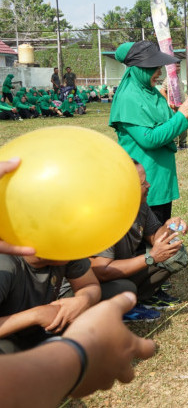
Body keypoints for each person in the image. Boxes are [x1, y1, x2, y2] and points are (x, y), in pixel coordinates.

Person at [0, 159, 156, 404]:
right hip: (10, 336)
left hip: (46, 327)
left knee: (120, 290)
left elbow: (90, 286)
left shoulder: (66, 250)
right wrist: (35, 315)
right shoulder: (5, 266)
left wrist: (81, 301)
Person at [108, 41, 188, 224]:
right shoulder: (129, 96)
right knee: (145, 243)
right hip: (144, 181)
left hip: (159, 178)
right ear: (138, 68)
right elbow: (149, 139)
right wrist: (182, 115)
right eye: (154, 67)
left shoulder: (151, 92)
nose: (159, 73)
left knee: (159, 235)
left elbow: (172, 124)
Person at [90, 161, 188, 321]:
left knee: (175, 251)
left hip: (123, 267)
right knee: (124, 287)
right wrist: (150, 258)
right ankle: (121, 307)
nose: (149, 185)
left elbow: (155, 236)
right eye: (143, 183)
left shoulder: (139, 205)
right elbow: (100, 271)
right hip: (95, 283)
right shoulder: (103, 219)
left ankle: (143, 297)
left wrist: (168, 226)